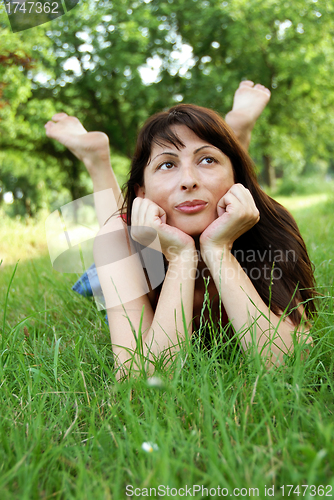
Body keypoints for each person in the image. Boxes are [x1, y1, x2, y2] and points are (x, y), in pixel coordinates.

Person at [45, 81, 316, 378]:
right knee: (117, 227)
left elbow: (294, 364)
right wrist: (181, 258)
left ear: (236, 180)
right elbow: (140, 379)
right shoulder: (119, 240)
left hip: (227, 212)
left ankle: (234, 134)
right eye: (166, 165)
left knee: (204, 189)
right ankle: (97, 160)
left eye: (208, 159)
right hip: (139, 243)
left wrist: (218, 250)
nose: (188, 179)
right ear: (142, 192)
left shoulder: (271, 226)